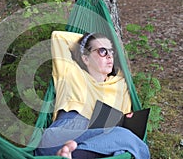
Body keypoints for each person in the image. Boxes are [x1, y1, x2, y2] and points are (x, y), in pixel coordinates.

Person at [34, 31, 150, 159]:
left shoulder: (120, 83)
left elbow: (122, 122)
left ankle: (72, 155)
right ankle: (74, 153)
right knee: (125, 140)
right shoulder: (71, 72)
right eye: (102, 51)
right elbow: (58, 37)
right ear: (86, 58)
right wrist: (86, 42)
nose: (109, 56)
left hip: (100, 138)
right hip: (67, 130)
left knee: (123, 141)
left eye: (111, 51)